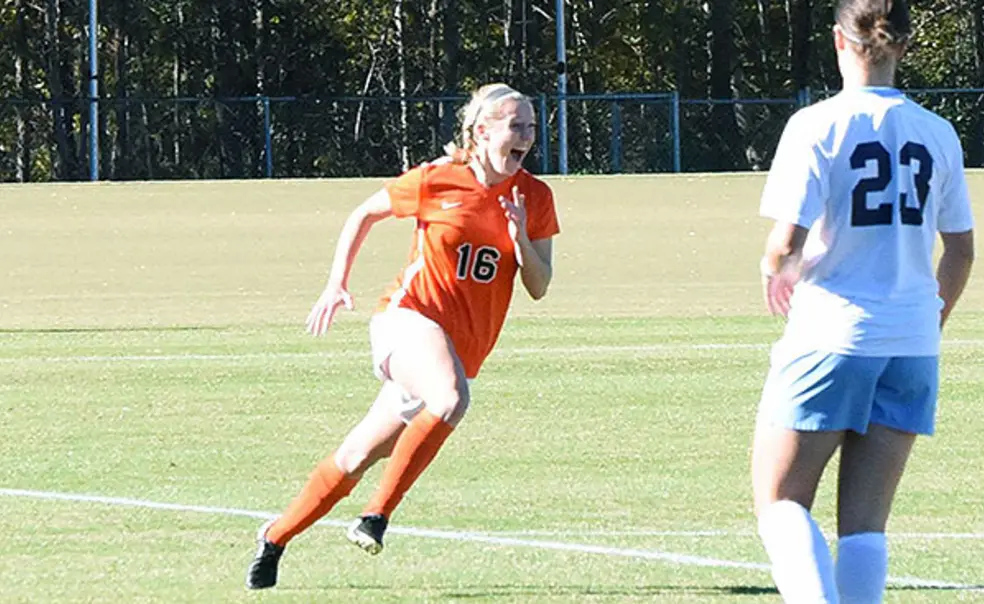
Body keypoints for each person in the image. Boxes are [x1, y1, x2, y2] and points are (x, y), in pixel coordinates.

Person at [245, 83, 560, 590]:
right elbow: (363, 214)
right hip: (406, 320)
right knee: (451, 399)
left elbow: (539, 286)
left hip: (453, 351)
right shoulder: (438, 178)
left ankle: (275, 537)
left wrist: (520, 234)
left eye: (531, 127)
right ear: (482, 132)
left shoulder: (535, 196)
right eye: (514, 126)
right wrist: (336, 283)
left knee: (355, 457)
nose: (526, 136)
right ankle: (376, 516)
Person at [752, 1, 975, 602]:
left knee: (780, 500)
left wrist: (774, 270)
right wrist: (930, 318)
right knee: (865, 525)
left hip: (834, 332)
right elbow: (960, 250)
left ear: (838, 40)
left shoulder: (816, 125)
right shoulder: (938, 132)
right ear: (903, 44)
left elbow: (787, 243)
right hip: (912, 344)